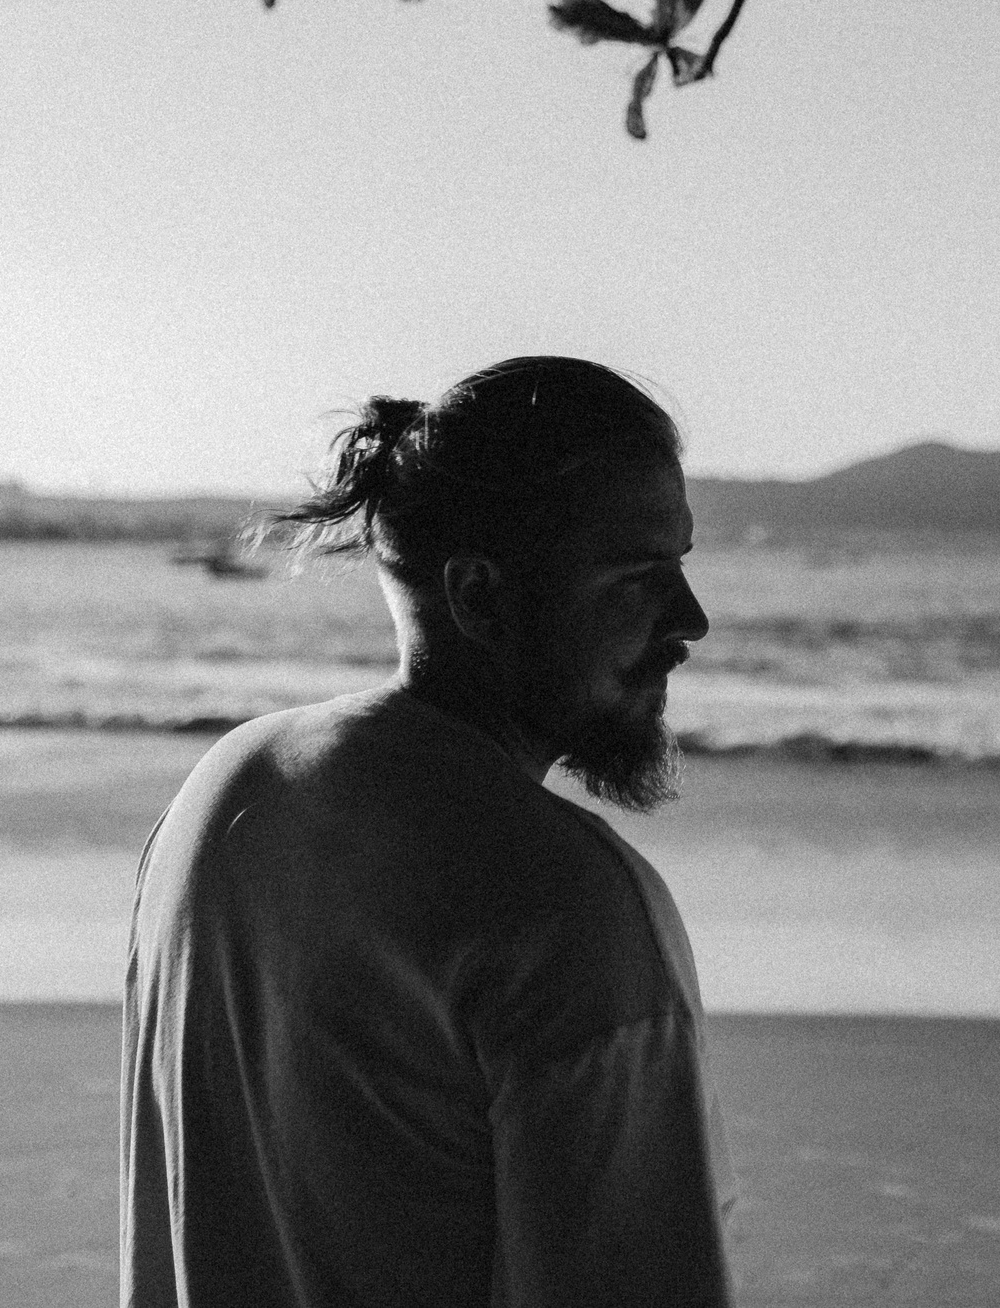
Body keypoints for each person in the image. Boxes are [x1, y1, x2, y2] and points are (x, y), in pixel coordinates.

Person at [119, 356, 734, 1308]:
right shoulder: (560, 903)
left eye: (682, 568)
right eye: (638, 577)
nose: (690, 620)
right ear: (480, 595)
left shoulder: (224, 792)